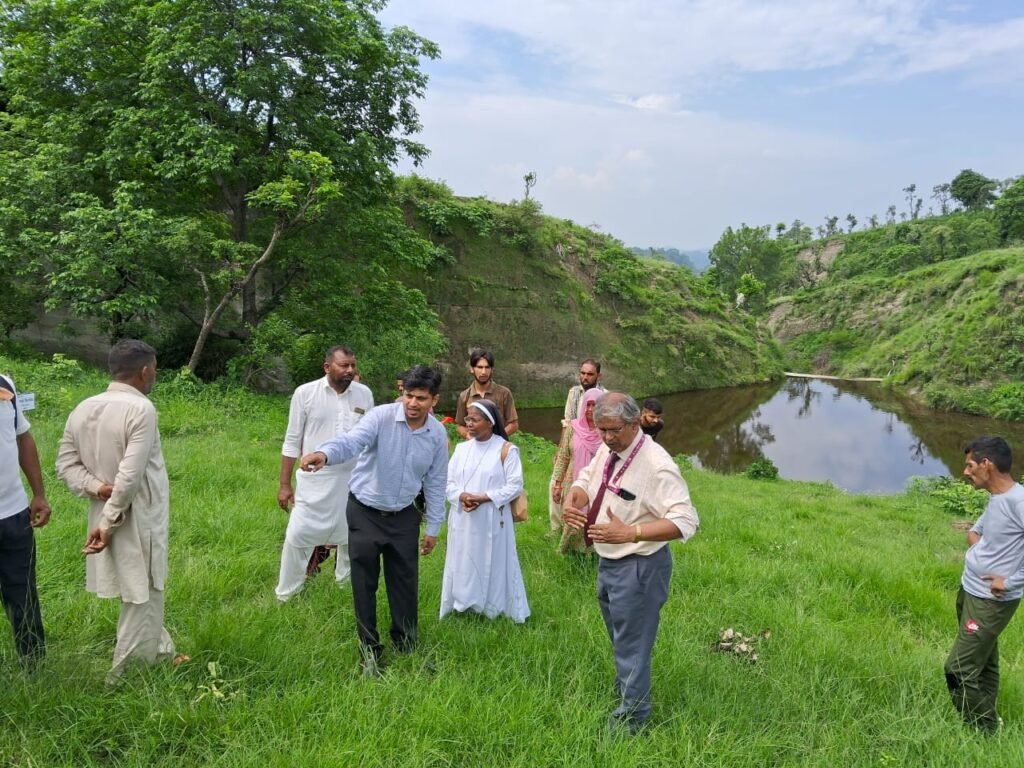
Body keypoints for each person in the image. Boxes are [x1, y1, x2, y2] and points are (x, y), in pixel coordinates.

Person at [563, 392, 699, 735]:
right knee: (622, 636)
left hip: (640, 566)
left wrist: (631, 532)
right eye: (602, 429)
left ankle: (632, 719)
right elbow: (588, 479)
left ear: (635, 423)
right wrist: (575, 497)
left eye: (614, 430)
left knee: (633, 642)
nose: (607, 437)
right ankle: (629, 686)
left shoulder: (657, 464)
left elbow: (686, 521)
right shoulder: (610, 449)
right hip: (609, 561)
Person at [300, 365, 448, 676]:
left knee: (405, 582)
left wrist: (434, 527)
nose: (412, 403)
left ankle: (406, 643)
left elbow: (436, 482)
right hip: (365, 512)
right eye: (408, 395)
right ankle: (369, 648)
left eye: (421, 398)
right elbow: (350, 442)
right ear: (402, 393)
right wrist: (324, 454)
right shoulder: (380, 417)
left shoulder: (436, 434)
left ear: (434, 400)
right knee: (364, 582)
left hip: (404, 516)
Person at [55, 340, 186, 684]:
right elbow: (130, 476)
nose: (154, 375)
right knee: (143, 590)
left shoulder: (83, 407)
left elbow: (65, 465)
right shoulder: (142, 409)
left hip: (108, 510)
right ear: (144, 371)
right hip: (136, 515)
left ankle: (161, 652)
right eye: (154, 370)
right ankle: (124, 676)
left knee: (142, 586)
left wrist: (98, 489)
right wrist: (109, 521)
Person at [276, 346, 374, 601]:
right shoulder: (305, 393)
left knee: (351, 537)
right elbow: (292, 441)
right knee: (298, 535)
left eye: (353, 365)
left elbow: (369, 439)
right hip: (314, 480)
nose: (350, 370)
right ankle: (288, 593)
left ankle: (345, 591)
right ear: (327, 367)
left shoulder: (364, 394)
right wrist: (285, 484)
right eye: (344, 365)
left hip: (353, 481)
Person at [944, 435, 1024, 732]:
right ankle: (988, 716)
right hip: (970, 590)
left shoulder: (1019, 501)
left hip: (990, 601)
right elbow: (975, 533)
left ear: (986, 464)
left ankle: (985, 730)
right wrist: (981, 551)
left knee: (957, 669)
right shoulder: (997, 498)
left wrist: (1011, 580)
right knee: (984, 660)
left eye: (970, 465)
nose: (965, 472)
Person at [440, 399, 529, 623]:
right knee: (463, 560)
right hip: (463, 516)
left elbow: (515, 485)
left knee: (493, 561)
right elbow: (447, 482)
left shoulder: (506, 450)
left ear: (490, 422)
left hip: (492, 517)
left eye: (475, 419)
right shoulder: (461, 449)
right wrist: (462, 496)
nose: (469, 424)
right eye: (467, 419)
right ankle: (463, 603)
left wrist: (483, 498)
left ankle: (493, 607)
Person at [0, 373, 51, 670]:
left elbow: (22, 438)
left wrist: (39, 494)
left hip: (15, 513)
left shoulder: (4, 385)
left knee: (23, 592)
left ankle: (34, 664)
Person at [548, 359, 603, 534]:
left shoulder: (605, 398)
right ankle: (557, 528)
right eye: (582, 373)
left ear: (598, 376)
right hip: (575, 443)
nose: (585, 377)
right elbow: (568, 422)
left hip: (595, 464)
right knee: (556, 485)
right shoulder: (574, 393)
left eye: (590, 374)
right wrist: (560, 450)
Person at [454, 349, 518, 440]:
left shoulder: (504, 393)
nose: (483, 372)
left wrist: (495, 439)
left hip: (498, 445)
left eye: (487, 367)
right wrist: (470, 437)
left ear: (492, 370)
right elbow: (460, 425)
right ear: (472, 369)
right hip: (475, 445)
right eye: (480, 367)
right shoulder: (464, 396)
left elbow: (513, 424)